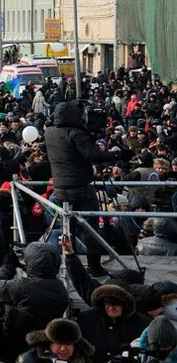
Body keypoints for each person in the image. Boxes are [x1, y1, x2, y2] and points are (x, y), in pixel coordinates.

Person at [44, 100, 132, 276]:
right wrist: (119, 154)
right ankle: (94, 266)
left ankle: (69, 265)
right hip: (81, 189)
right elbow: (93, 155)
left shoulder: (50, 132)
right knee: (90, 228)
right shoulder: (75, 134)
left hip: (60, 188)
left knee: (69, 228)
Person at [0, 242, 69, 357]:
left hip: (17, 342)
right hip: (44, 341)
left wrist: (7, 266)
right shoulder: (60, 288)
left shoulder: (23, 286)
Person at [12, 318, 94, 363]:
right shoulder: (30, 359)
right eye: (59, 343)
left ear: (74, 345)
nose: (63, 348)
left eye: (67, 344)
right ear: (49, 342)